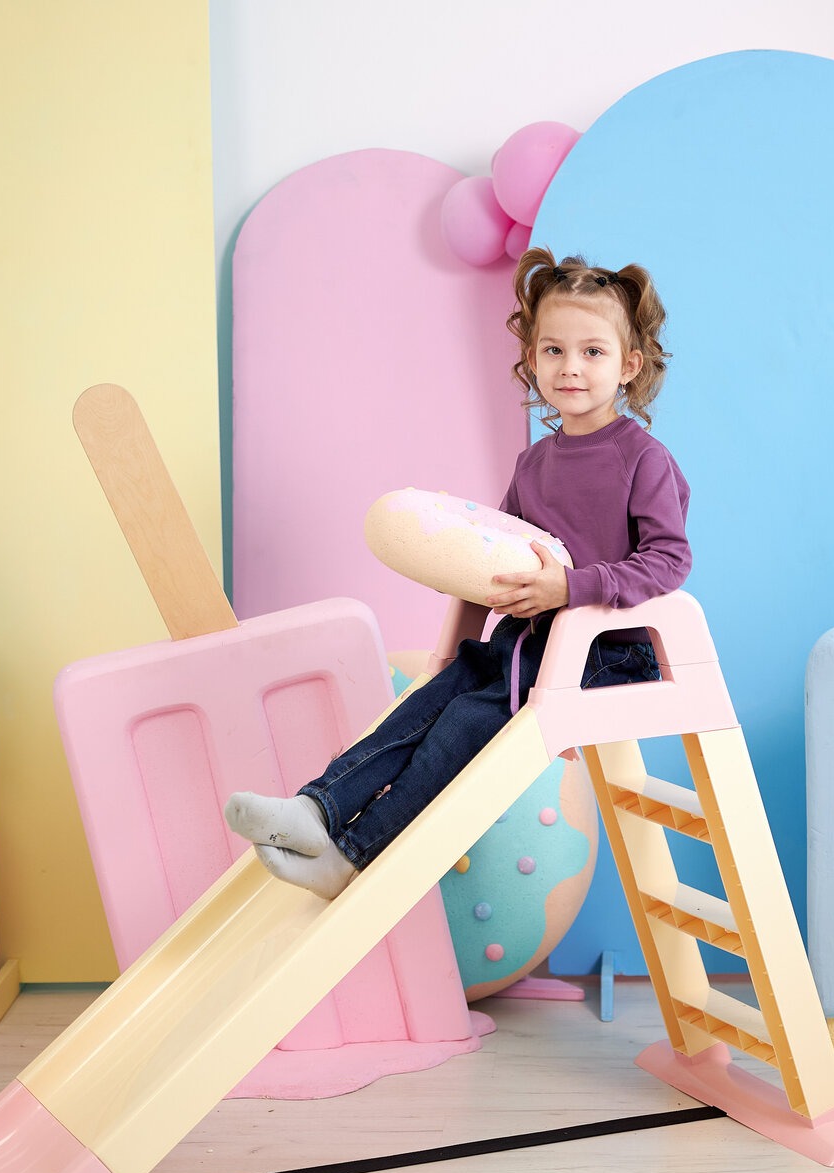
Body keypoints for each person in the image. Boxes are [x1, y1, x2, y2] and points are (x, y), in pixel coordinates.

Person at [224, 248, 690, 897]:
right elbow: (494, 552)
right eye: (553, 350)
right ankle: (317, 809)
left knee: (467, 720)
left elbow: (669, 560)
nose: (571, 367)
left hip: (605, 653)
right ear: (531, 358)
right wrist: (458, 616)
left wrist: (570, 587)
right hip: (525, 645)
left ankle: (353, 855)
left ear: (628, 365)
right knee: (427, 701)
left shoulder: (643, 459)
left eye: (592, 352)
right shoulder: (534, 464)